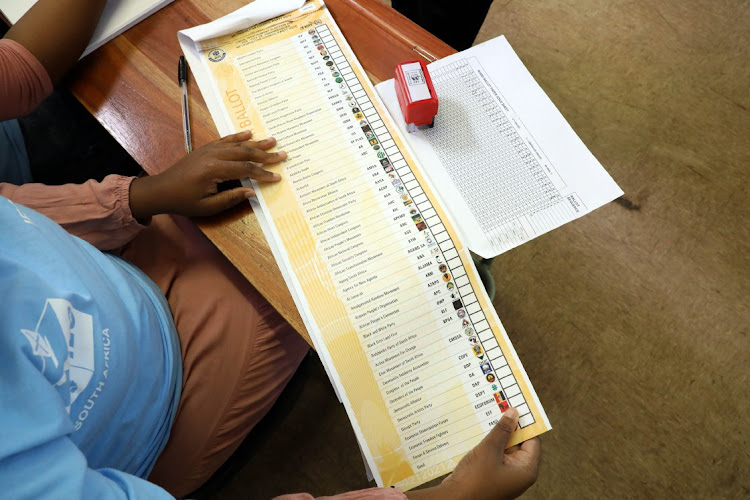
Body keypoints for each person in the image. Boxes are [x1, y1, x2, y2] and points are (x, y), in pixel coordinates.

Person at [0, 1, 540, 498]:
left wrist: (140, 197)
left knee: (295, 190)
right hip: (161, 416)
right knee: (350, 255)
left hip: (112, 275)